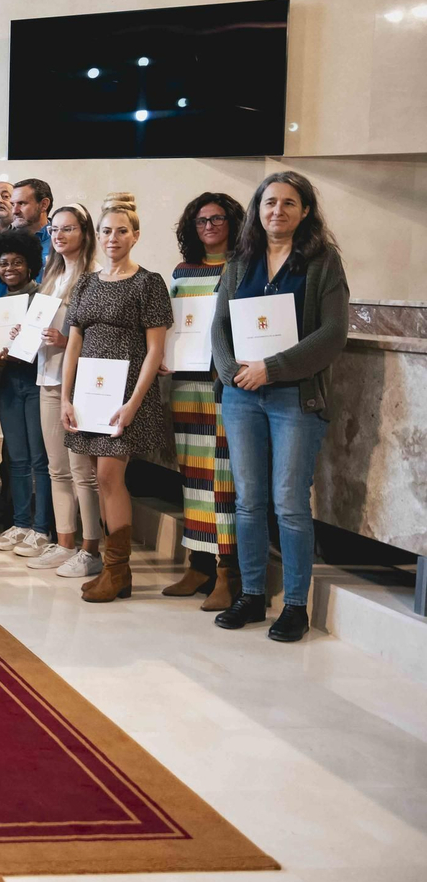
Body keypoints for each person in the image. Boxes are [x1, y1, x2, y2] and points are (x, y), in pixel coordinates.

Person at [211, 172, 349, 643]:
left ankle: (294, 606)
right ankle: (251, 595)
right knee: (248, 501)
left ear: (305, 211)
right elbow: (219, 329)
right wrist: (232, 373)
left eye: (290, 203)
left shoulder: (322, 262)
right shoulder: (238, 262)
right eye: (270, 202)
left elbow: (332, 334)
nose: (278, 211)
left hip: (295, 396)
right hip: (241, 397)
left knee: (289, 504)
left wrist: (272, 367)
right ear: (257, 208)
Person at [59, 193, 173, 603]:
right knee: (97, 478)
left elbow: (156, 351)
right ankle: (114, 571)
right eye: (106, 231)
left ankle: (118, 568)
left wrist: (134, 403)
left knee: (110, 478)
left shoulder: (149, 283)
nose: (112, 238)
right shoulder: (87, 282)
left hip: (125, 397)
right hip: (87, 396)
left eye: (121, 231)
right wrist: (65, 398)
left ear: (135, 235)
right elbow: (73, 344)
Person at [159, 193, 246, 608]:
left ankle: (229, 573)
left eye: (217, 218)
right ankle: (198, 565)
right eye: (200, 221)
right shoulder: (183, 271)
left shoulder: (246, 268)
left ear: (233, 222)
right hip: (186, 386)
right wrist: (164, 357)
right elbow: (172, 325)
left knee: (223, 481)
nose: (209, 226)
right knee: (193, 476)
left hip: (225, 387)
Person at [20, 204, 103, 578]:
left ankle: (91, 549)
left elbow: (102, 338)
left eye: (68, 229)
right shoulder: (51, 277)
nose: (59, 235)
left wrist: (65, 338)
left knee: (81, 470)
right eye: (55, 229)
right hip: (48, 377)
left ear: (85, 233)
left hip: (81, 383)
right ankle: (65, 542)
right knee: (56, 469)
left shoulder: (96, 277)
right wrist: (22, 337)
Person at [0, 229, 54, 558]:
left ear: (30, 266)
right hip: (10, 384)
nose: (9, 268)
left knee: (40, 459)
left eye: (16, 262)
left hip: (37, 382)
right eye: (2, 263)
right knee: (17, 458)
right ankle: (22, 523)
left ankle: (42, 528)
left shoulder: (43, 300)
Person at [0, 179, 55, 296]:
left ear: (44, 204)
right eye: (13, 204)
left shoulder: (59, 243)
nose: (14, 211)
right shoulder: (1, 246)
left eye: (22, 203)